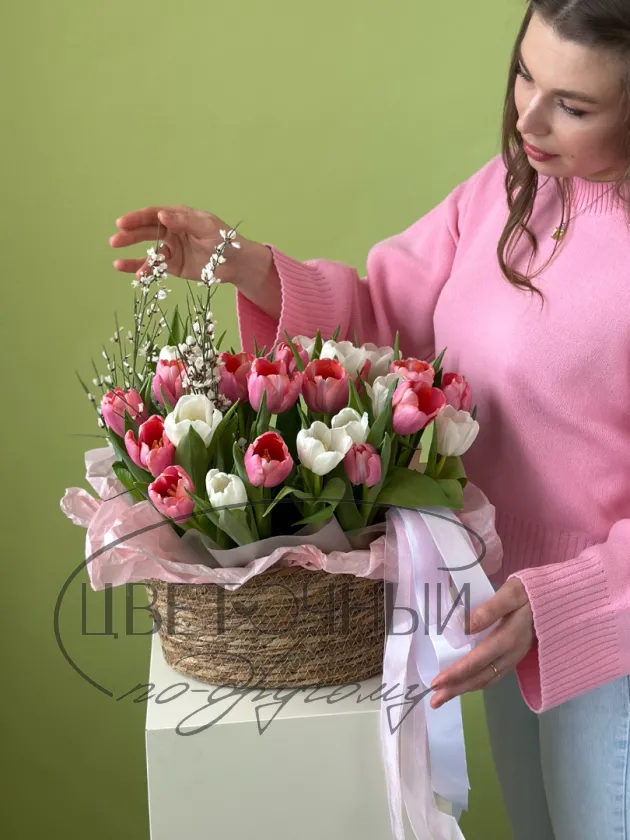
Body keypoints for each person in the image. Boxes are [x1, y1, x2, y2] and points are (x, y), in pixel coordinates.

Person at [109, 1, 630, 837]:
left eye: (572, 105)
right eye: (524, 75)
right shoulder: (507, 190)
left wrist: (560, 602)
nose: (528, 119)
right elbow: (385, 321)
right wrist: (241, 263)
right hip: (501, 608)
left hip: (607, 640)